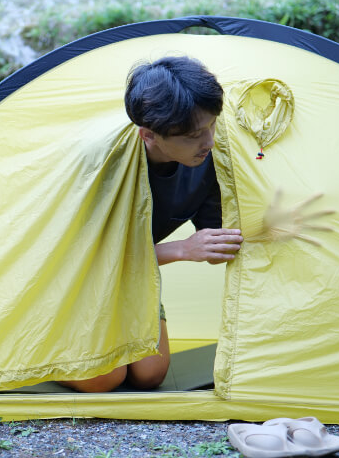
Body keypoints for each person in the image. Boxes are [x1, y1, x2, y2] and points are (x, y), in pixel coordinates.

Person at [60, 56, 244, 393]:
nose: (208, 141)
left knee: (150, 374)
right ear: (149, 135)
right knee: (104, 379)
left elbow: (216, 243)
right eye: (192, 135)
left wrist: (257, 230)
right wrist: (183, 249)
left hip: (137, 277)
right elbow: (87, 256)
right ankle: (38, 346)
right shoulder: (104, 164)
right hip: (77, 281)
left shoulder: (207, 159)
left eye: (211, 126)